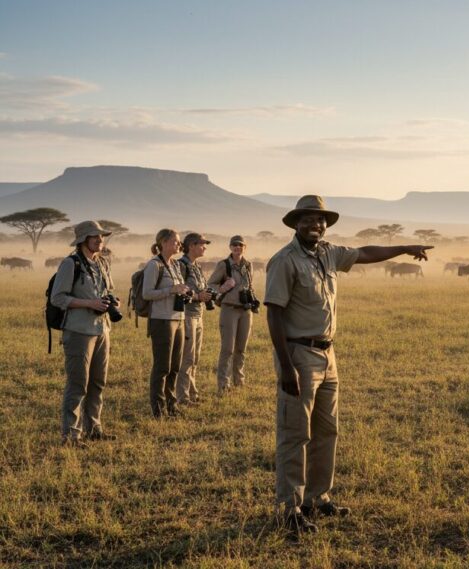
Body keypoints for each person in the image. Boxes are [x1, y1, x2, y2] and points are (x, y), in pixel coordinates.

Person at [264, 195, 432, 534]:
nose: (315, 224)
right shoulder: (284, 261)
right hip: (298, 355)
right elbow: (274, 314)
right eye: (308, 219)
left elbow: (365, 252)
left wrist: (403, 248)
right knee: (295, 434)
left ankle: (317, 499)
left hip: (328, 354)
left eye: (320, 219)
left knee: (327, 431)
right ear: (296, 224)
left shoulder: (329, 253)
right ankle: (289, 509)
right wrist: (286, 366)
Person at [50, 220, 119, 446]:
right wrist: (89, 303)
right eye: (95, 236)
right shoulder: (70, 264)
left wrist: (111, 301)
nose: (100, 240)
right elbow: (57, 298)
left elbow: (106, 290)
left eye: (101, 236)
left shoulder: (102, 262)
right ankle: (71, 435)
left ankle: (94, 428)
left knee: (98, 382)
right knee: (78, 383)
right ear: (82, 240)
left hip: (102, 329)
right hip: (79, 331)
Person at [142, 229, 189, 418]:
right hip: (162, 320)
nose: (179, 244)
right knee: (162, 366)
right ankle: (158, 409)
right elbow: (147, 294)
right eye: (175, 241)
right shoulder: (154, 265)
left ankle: (171, 405)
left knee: (175, 366)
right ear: (163, 243)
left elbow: (177, 288)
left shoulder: (175, 265)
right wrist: (171, 290)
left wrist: (184, 291)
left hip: (179, 318)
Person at [208, 235, 254, 393]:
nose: (237, 247)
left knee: (241, 349)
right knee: (228, 349)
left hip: (246, 310)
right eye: (234, 245)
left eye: (240, 245)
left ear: (245, 248)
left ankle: (239, 382)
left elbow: (250, 285)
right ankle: (223, 385)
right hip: (229, 309)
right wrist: (222, 288)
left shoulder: (248, 265)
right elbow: (210, 284)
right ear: (230, 247)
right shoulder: (224, 265)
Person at [175, 233, 217, 406]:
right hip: (187, 315)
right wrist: (198, 297)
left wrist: (206, 294)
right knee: (187, 358)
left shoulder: (197, 266)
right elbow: (178, 291)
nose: (204, 247)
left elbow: (200, 289)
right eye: (202, 244)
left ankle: (192, 393)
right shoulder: (181, 265)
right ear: (191, 246)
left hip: (199, 315)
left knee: (195, 357)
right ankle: (182, 398)